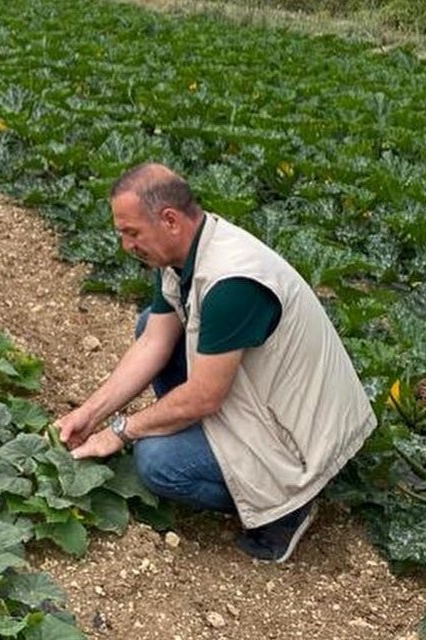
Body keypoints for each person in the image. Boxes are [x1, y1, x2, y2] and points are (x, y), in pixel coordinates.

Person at [55, 163, 375, 563]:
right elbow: (153, 343)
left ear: (169, 220)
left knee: (157, 463)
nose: (126, 246)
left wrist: (121, 431)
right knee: (148, 326)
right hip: (263, 398)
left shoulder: (232, 283)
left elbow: (204, 398)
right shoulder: (181, 253)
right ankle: (210, 447)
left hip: (299, 437)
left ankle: (287, 507)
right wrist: (89, 414)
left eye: (131, 232)